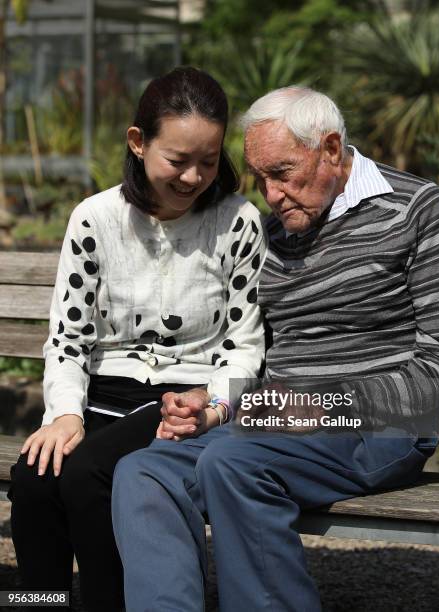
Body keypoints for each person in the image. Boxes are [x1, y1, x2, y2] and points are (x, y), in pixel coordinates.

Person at [112, 86, 439, 611]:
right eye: (260, 179)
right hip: (273, 422)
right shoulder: (274, 235)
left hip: (380, 427)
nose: (270, 195)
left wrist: (327, 405)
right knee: (143, 471)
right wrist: (215, 406)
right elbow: (271, 361)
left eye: (281, 173)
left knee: (233, 463)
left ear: (328, 149)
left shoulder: (413, 206)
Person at [8, 67, 265, 612]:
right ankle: (39, 603)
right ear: (138, 142)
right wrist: (63, 414)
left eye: (209, 160)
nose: (194, 176)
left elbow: (245, 344)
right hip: (103, 396)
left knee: (86, 475)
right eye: (178, 159)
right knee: (34, 477)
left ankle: (110, 603)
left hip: (182, 402)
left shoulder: (237, 222)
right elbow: (69, 336)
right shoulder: (95, 219)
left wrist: (214, 405)